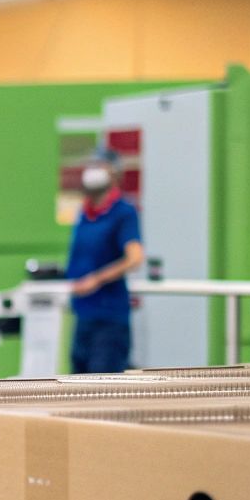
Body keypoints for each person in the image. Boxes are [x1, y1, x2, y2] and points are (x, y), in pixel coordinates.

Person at [66, 148, 144, 374]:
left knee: (102, 389)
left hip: (109, 319)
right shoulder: (85, 212)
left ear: (114, 174)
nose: (93, 171)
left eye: (100, 166)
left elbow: (135, 257)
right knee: (76, 388)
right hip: (83, 315)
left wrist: (96, 280)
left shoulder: (124, 212)